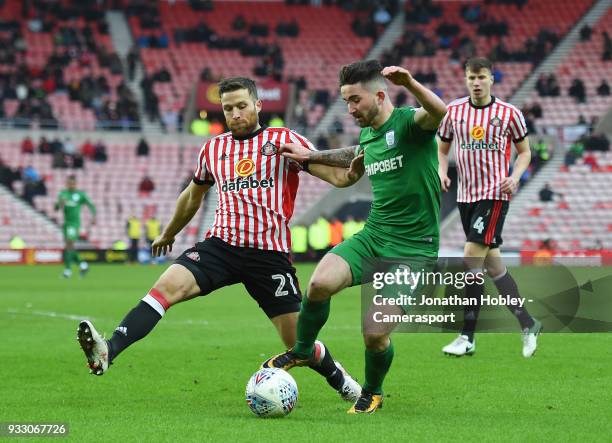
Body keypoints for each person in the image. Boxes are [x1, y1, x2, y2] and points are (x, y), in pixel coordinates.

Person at [76, 76, 361, 404]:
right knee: (164, 289)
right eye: (228, 109)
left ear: (257, 105)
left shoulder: (284, 139)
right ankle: (108, 350)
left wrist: (357, 167)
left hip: (268, 256)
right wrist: (170, 232)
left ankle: (339, 379)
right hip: (220, 247)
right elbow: (192, 196)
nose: (236, 114)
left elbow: (336, 177)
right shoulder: (214, 149)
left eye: (242, 106)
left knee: (298, 344)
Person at [262, 60, 447, 413]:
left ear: (380, 95)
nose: (350, 109)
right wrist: (309, 156)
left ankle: (372, 391)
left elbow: (440, 114)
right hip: (374, 236)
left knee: (375, 333)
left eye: (355, 100)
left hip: (412, 249)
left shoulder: (410, 123)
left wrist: (409, 80)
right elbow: (355, 155)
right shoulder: (369, 132)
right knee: (318, 284)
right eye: (346, 101)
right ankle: (303, 349)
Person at [437, 57, 541, 358]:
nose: (477, 82)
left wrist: (514, 177)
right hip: (465, 197)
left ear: (491, 79)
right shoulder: (453, 112)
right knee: (493, 266)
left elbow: (525, 152)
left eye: (482, 77)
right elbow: (442, 149)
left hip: (494, 194)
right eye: (472, 77)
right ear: (466, 79)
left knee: (470, 260)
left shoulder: (509, 114)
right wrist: (442, 171)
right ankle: (528, 322)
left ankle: (467, 336)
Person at [55, 175, 96, 278]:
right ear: (67, 184)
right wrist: (60, 203)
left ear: (76, 184)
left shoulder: (80, 195)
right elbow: (55, 208)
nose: (71, 185)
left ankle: (68, 271)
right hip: (66, 224)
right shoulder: (63, 194)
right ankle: (83, 265)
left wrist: (94, 216)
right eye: (69, 183)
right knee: (69, 247)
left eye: (73, 183)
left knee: (69, 244)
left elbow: (91, 205)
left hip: (74, 224)